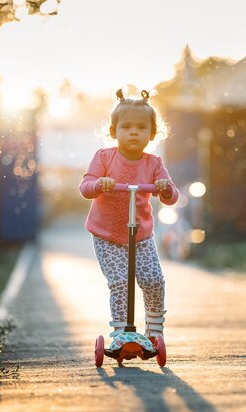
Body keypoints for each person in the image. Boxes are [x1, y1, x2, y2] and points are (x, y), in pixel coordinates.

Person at [79, 88, 179, 341]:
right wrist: (99, 184)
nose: (134, 132)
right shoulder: (103, 158)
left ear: (152, 134)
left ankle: (155, 329)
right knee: (120, 282)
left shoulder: (154, 163)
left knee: (154, 280)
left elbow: (171, 195)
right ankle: (121, 332)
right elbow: (85, 188)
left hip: (141, 235)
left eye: (141, 127)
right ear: (114, 132)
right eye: (126, 127)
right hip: (107, 236)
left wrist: (164, 188)